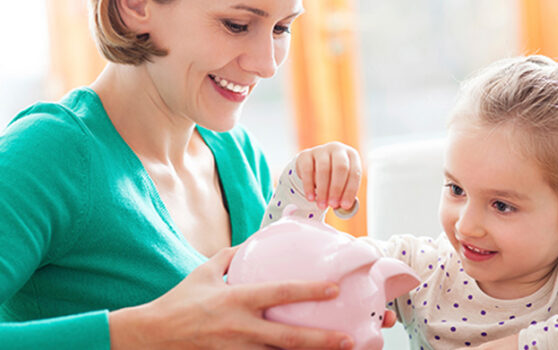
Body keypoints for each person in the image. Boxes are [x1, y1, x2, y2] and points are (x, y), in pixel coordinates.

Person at [0, 0, 397, 348]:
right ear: (136, 5)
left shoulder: (238, 156)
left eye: (281, 28)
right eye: (236, 25)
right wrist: (147, 333)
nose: (267, 64)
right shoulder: (48, 153)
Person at [266, 55, 558, 349]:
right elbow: (278, 280)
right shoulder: (420, 268)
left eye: (501, 206)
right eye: (456, 190)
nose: (466, 225)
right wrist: (301, 185)